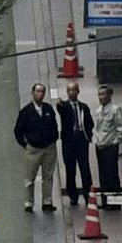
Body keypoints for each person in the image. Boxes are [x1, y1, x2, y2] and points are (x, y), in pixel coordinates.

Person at [12, 84, 60, 215]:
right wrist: (25, 144)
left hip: (49, 147)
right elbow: (18, 130)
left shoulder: (48, 109)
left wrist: (54, 138)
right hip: (33, 149)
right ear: (33, 93)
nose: (40, 94)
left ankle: (47, 201)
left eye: (42, 92)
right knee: (30, 177)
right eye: (38, 91)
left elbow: (54, 126)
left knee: (48, 176)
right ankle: (29, 202)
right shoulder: (26, 112)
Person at [56, 80, 94, 206]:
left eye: (73, 90)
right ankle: (73, 195)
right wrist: (59, 104)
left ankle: (88, 195)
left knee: (85, 168)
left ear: (78, 91)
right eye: (69, 90)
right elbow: (61, 109)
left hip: (81, 141)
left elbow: (89, 122)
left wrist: (88, 135)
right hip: (69, 142)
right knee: (70, 169)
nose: (71, 92)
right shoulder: (64, 107)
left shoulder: (84, 107)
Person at [91, 85, 122, 207]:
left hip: (110, 147)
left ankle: (115, 203)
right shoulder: (98, 111)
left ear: (109, 95)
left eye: (103, 94)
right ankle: (105, 201)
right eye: (99, 95)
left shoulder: (115, 110)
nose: (101, 97)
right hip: (100, 146)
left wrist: (115, 142)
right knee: (103, 175)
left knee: (112, 174)